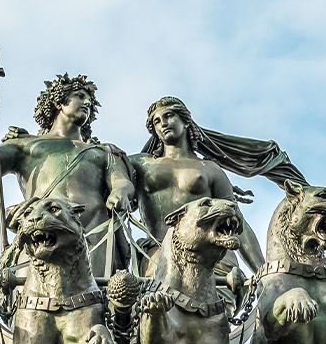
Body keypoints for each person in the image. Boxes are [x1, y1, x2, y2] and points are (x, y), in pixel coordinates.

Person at [0, 73, 134, 277]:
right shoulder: (27, 146)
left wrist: (120, 193)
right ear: (59, 102)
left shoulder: (102, 152)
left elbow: (122, 182)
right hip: (41, 234)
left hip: (94, 233)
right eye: (80, 96)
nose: (87, 102)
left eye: (89, 99)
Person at [128, 96, 301, 276]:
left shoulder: (210, 169)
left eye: (169, 116)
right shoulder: (141, 164)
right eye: (156, 121)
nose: (163, 123)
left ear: (185, 121)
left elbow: (235, 219)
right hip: (159, 257)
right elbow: (111, 170)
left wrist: (263, 271)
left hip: (212, 258)